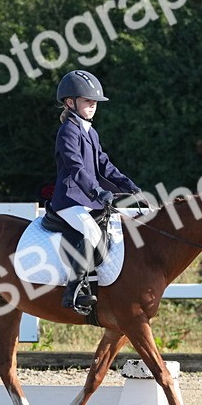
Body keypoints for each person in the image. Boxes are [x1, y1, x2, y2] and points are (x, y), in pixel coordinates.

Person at [50, 69, 142, 312]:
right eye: (87, 101)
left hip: (87, 199)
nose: (93, 106)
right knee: (91, 231)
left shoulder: (90, 131)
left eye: (94, 102)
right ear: (71, 103)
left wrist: (128, 185)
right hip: (69, 199)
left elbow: (104, 165)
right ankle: (74, 290)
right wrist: (97, 192)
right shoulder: (68, 131)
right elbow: (75, 168)